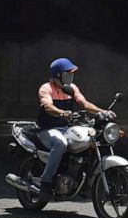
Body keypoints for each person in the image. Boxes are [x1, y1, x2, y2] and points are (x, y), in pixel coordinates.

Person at [36, 57, 108, 200]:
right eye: (68, 73)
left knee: (88, 141)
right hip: (48, 129)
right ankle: (46, 181)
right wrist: (62, 112)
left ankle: (84, 181)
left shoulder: (72, 88)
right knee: (60, 144)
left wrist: (102, 112)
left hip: (66, 128)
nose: (71, 76)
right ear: (58, 75)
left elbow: (84, 103)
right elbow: (48, 107)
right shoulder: (46, 88)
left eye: (72, 73)